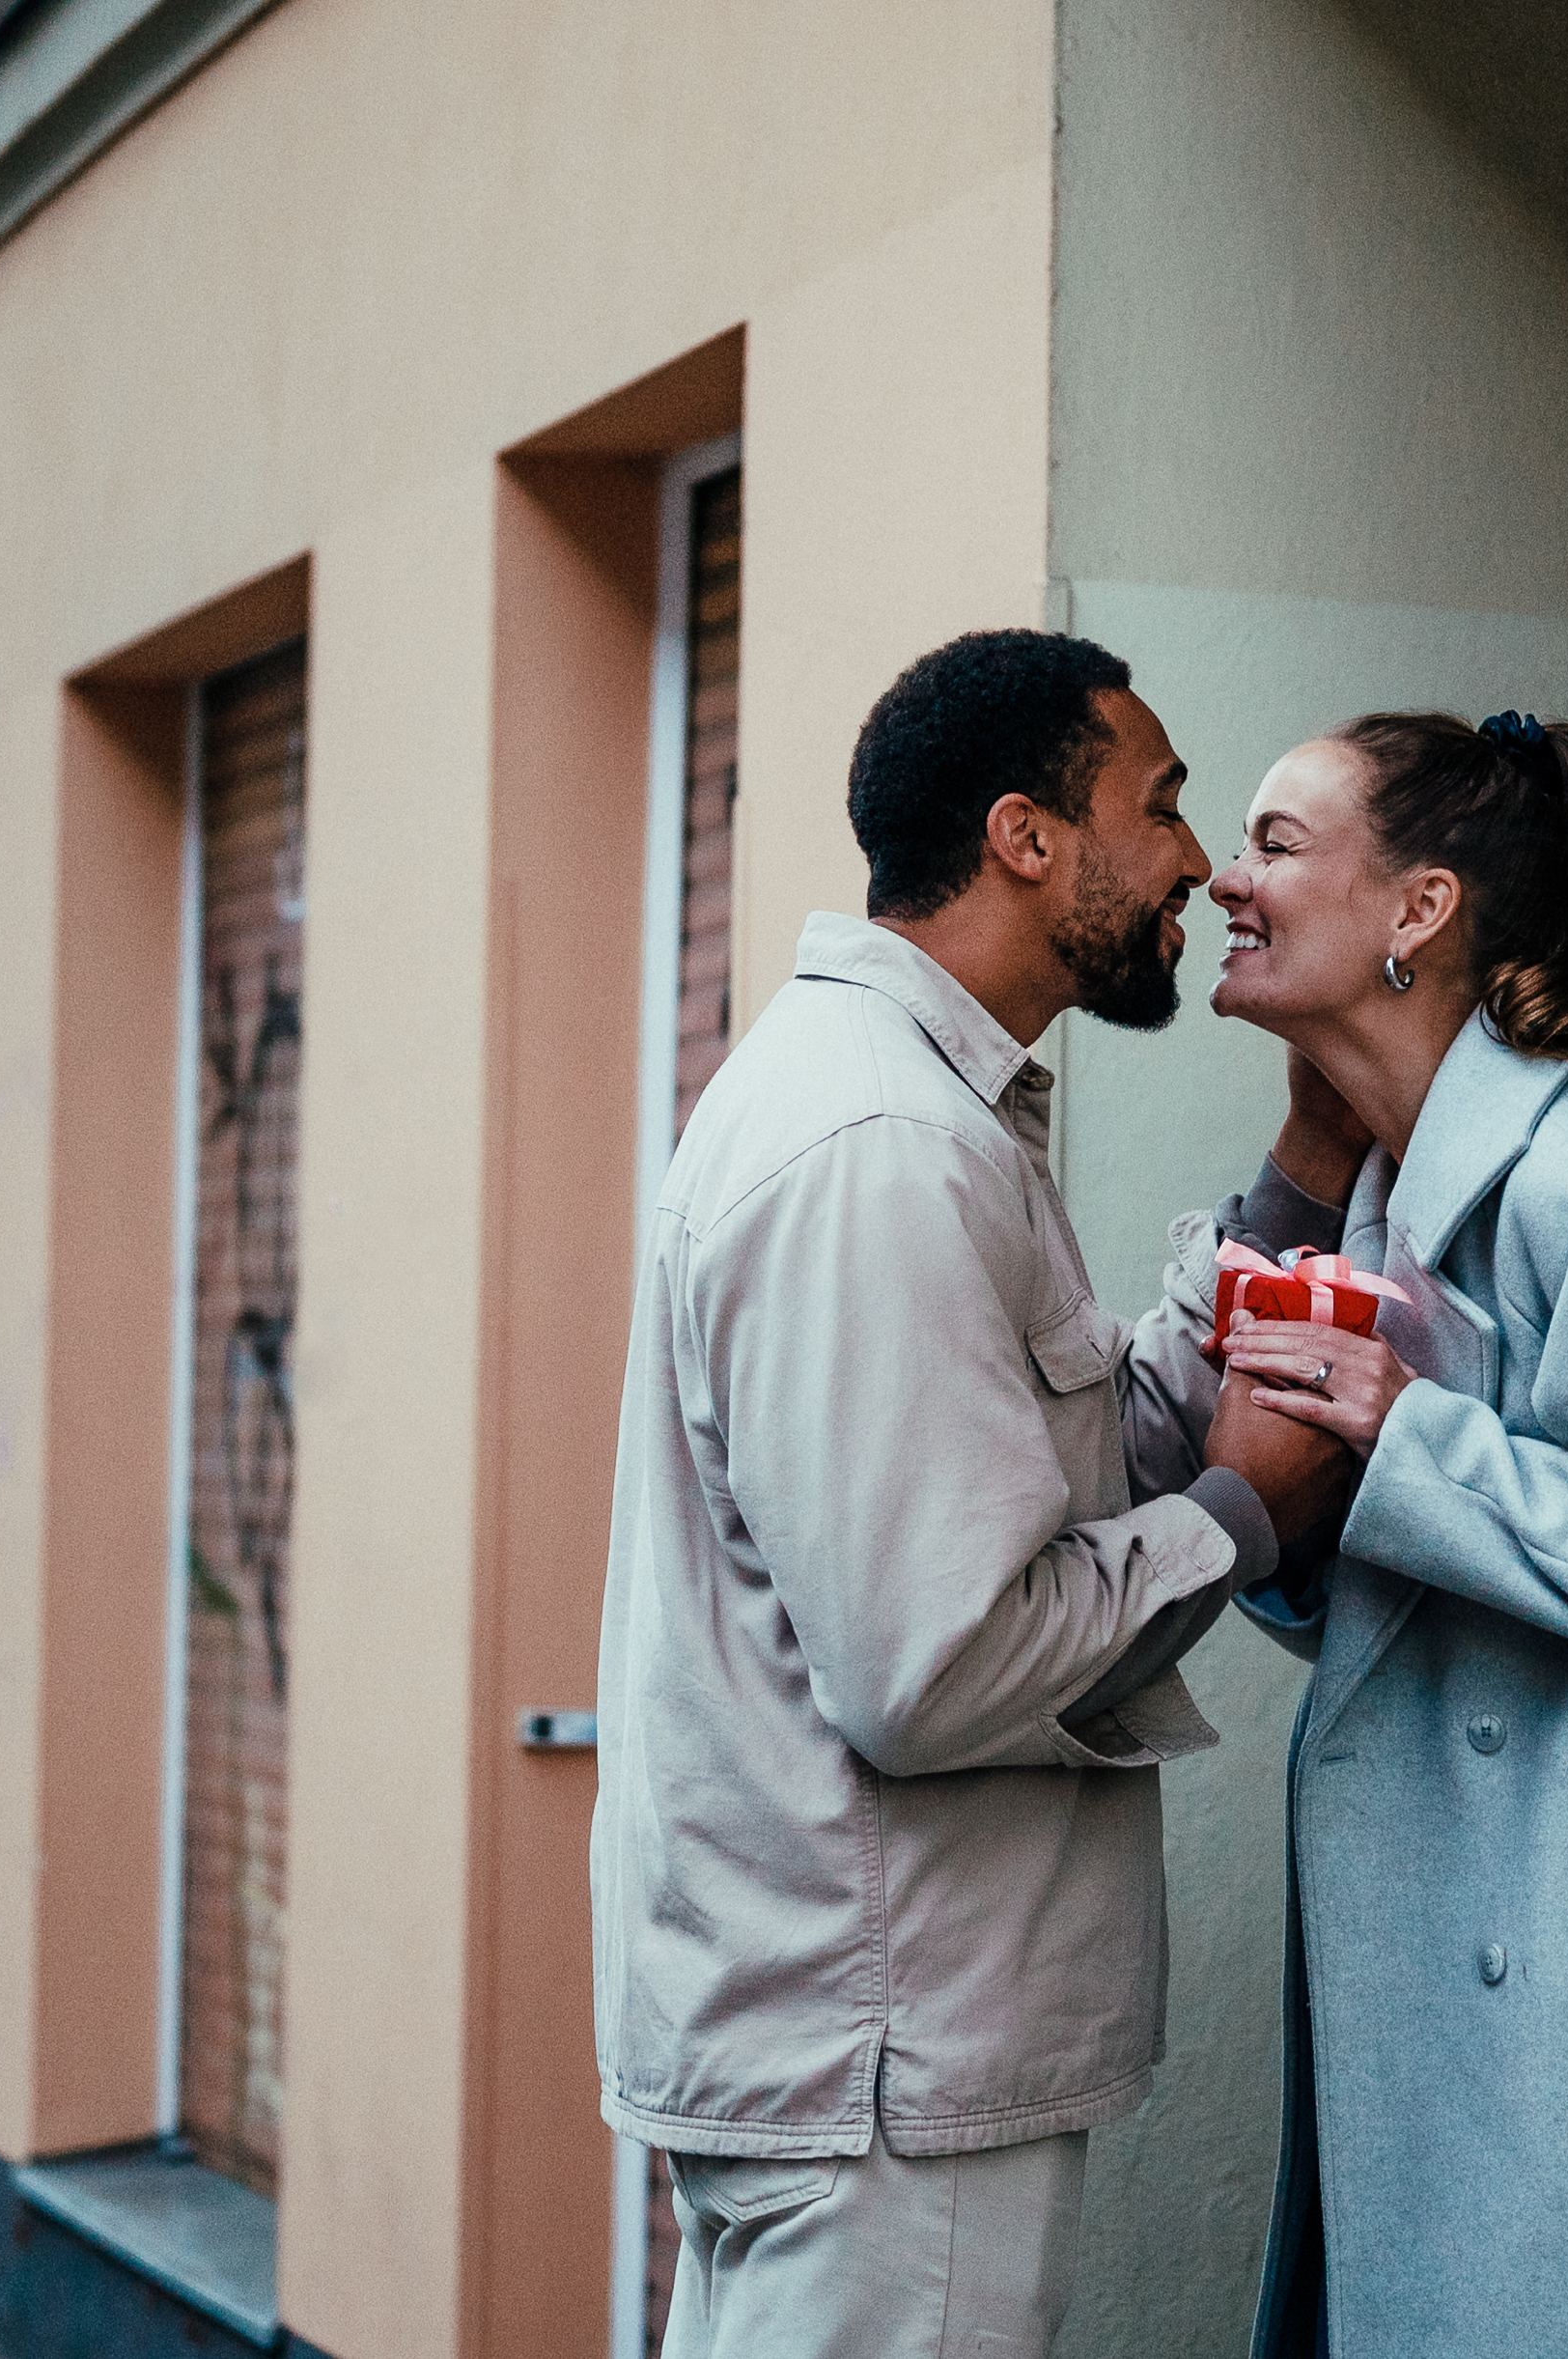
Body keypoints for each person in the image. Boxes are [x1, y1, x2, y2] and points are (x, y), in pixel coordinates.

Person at [592, 631, 1352, 2359]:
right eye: (1158, 808)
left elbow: (1061, 1471)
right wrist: (1247, 1515)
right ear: (1028, 836)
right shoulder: (884, 1146)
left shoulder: (920, 1112)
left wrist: (1302, 1181)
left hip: (861, 2057)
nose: (1198, 866)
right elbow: (932, 1666)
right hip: (880, 2075)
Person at [1125, 710, 1568, 2359]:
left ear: (1420, 910)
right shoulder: (1381, 1193)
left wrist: (1407, 1434)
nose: (1228, 879)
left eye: (1278, 842)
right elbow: (1386, 1620)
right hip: (1457, 1971)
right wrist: (1300, 1503)